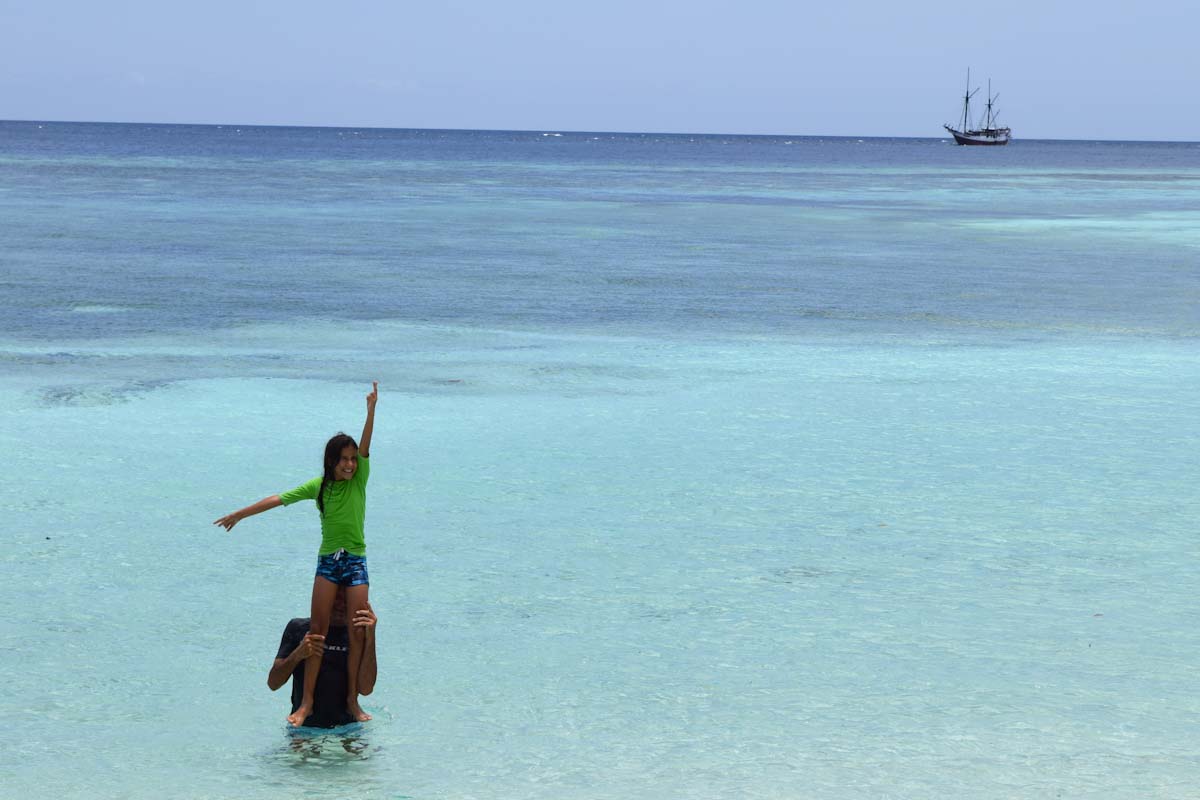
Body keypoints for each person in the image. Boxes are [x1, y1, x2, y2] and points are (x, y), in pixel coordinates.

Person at [216, 381, 378, 725]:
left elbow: (366, 446)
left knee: (355, 630)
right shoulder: (317, 487)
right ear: (331, 462)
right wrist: (239, 515)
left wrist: (371, 411)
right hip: (328, 561)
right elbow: (278, 499)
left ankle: (352, 701)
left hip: (356, 561)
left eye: (352, 460)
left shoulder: (360, 478)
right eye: (344, 460)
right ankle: (305, 704)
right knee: (316, 631)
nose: (350, 465)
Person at [269, 586, 378, 728]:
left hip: (347, 729)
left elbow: (366, 689)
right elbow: (273, 683)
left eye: (346, 599)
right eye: (336, 598)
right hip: (304, 728)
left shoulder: (357, 636)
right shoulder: (299, 628)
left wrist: (370, 637)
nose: (341, 604)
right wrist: (298, 654)